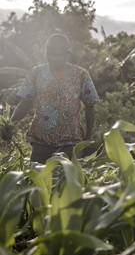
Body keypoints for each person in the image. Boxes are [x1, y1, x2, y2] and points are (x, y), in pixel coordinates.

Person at [10, 34, 99, 163]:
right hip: (40, 139)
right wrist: (9, 124)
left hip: (70, 140)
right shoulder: (36, 73)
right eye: (50, 54)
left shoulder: (81, 75)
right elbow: (24, 103)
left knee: (67, 180)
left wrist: (88, 135)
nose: (53, 58)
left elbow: (90, 106)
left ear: (67, 53)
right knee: (37, 179)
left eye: (57, 55)